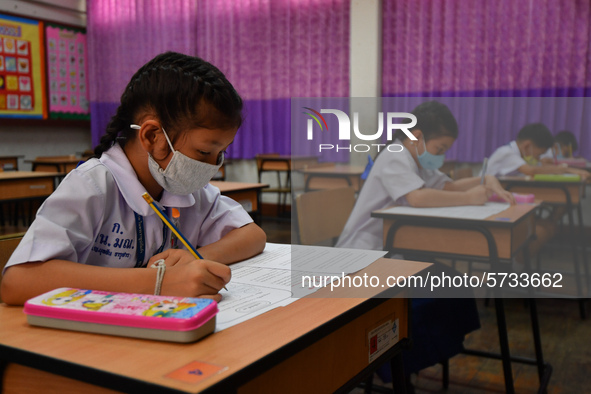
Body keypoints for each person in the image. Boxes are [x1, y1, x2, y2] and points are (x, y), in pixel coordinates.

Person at [1, 52, 267, 305]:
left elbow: (253, 235)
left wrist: (195, 259)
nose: (214, 166)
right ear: (152, 136)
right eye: (204, 152)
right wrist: (158, 283)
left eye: (221, 153)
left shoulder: (186, 190)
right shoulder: (93, 187)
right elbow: (18, 281)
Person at [336, 100, 514, 251]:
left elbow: (448, 187)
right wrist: (469, 197)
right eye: (440, 149)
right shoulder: (395, 155)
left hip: (394, 242)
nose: (441, 156)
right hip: (364, 247)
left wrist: (485, 179)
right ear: (417, 137)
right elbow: (417, 198)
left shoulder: (418, 159)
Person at [485, 123, 588, 179]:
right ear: (527, 146)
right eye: (539, 154)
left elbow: (539, 167)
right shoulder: (507, 152)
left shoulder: (520, 153)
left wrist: (569, 170)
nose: (539, 158)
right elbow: (531, 170)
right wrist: (566, 169)